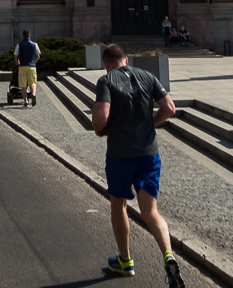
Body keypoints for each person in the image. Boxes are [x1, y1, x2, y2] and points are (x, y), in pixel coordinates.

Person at [92, 44, 183, 286]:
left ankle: (125, 260)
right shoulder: (148, 76)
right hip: (149, 153)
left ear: (107, 63)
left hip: (120, 154)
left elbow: (100, 119)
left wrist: (102, 129)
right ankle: (168, 256)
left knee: (119, 205)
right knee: (151, 211)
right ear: (126, 60)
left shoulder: (106, 80)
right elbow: (170, 108)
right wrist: (151, 123)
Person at [13, 29, 41, 107]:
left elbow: (15, 55)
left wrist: (17, 62)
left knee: (23, 85)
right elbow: (38, 55)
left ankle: (26, 102)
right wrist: (34, 62)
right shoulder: (35, 44)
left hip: (22, 66)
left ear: (23, 36)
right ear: (30, 35)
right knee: (33, 83)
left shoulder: (19, 45)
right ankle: (33, 95)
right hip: (32, 66)